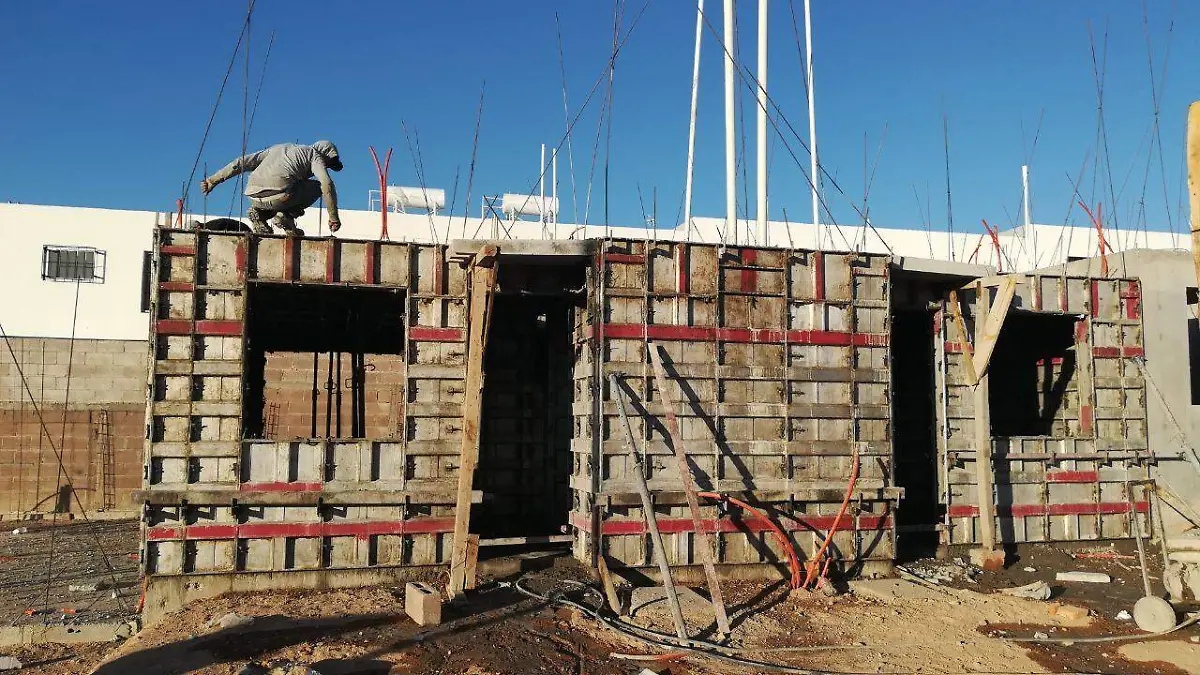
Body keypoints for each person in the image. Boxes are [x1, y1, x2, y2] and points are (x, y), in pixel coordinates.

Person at [201, 140, 343, 235]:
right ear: (324, 155)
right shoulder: (314, 154)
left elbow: (241, 162)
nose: (325, 167)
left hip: (252, 195)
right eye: (327, 165)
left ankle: (260, 214)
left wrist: (213, 180)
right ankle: (285, 216)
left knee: (292, 186)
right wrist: (333, 217)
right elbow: (327, 184)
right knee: (318, 187)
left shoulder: (279, 148)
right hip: (281, 196)